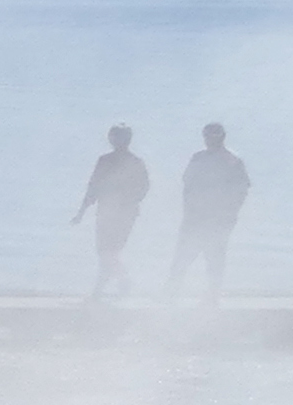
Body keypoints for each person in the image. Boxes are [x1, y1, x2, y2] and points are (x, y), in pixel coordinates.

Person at [170, 123, 250, 300]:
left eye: (213, 136)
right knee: (183, 255)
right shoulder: (198, 158)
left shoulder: (232, 161)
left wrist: (229, 214)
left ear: (222, 137)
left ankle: (212, 295)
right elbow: (187, 183)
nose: (209, 140)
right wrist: (189, 208)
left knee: (214, 257)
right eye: (207, 136)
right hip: (195, 217)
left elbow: (241, 190)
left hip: (218, 220)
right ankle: (172, 292)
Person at [71, 124, 151, 297]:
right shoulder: (105, 160)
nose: (113, 140)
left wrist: (128, 202)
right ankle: (115, 284)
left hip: (124, 214)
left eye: (117, 137)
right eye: (112, 136)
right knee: (105, 252)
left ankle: (110, 286)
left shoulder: (134, 162)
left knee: (109, 251)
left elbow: (143, 188)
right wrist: (81, 212)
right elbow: (93, 187)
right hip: (106, 212)